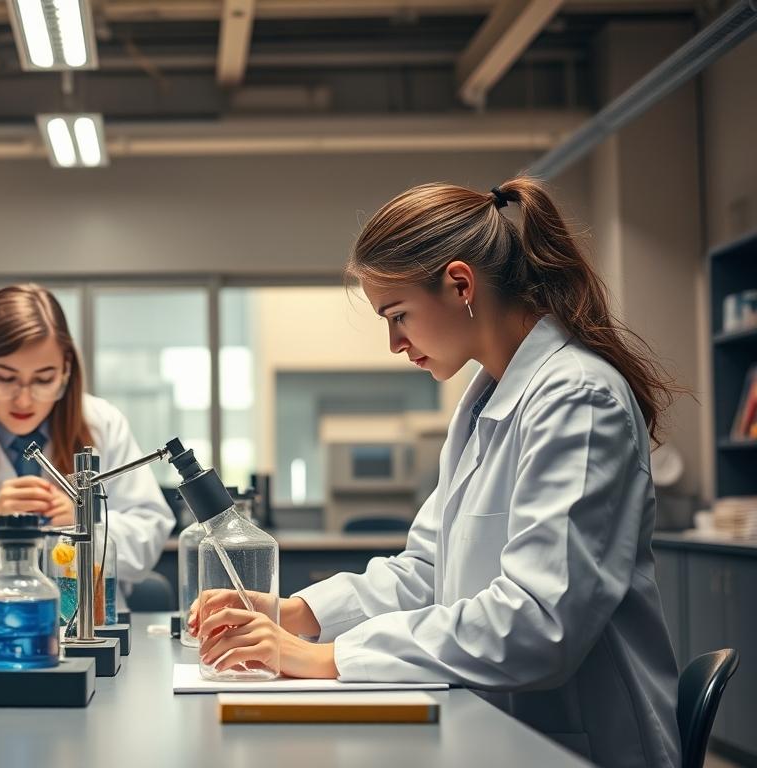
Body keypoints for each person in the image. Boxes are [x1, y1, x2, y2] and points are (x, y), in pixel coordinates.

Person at [192, 177, 682, 768]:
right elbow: (429, 570)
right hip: (494, 726)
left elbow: (539, 623)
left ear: (459, 285)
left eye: (398, 316)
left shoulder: (577, 397)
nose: (394, 343)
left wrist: (331, 658)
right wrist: (295, 613)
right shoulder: (483, 405)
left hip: (583, 742)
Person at [0, 284, 174, 602]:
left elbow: (148, 533)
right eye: (5, 378)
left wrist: (87, 520)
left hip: (94, 622)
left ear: (65, 368)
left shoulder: (102, 423)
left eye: (43, 379)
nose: (24, 399)